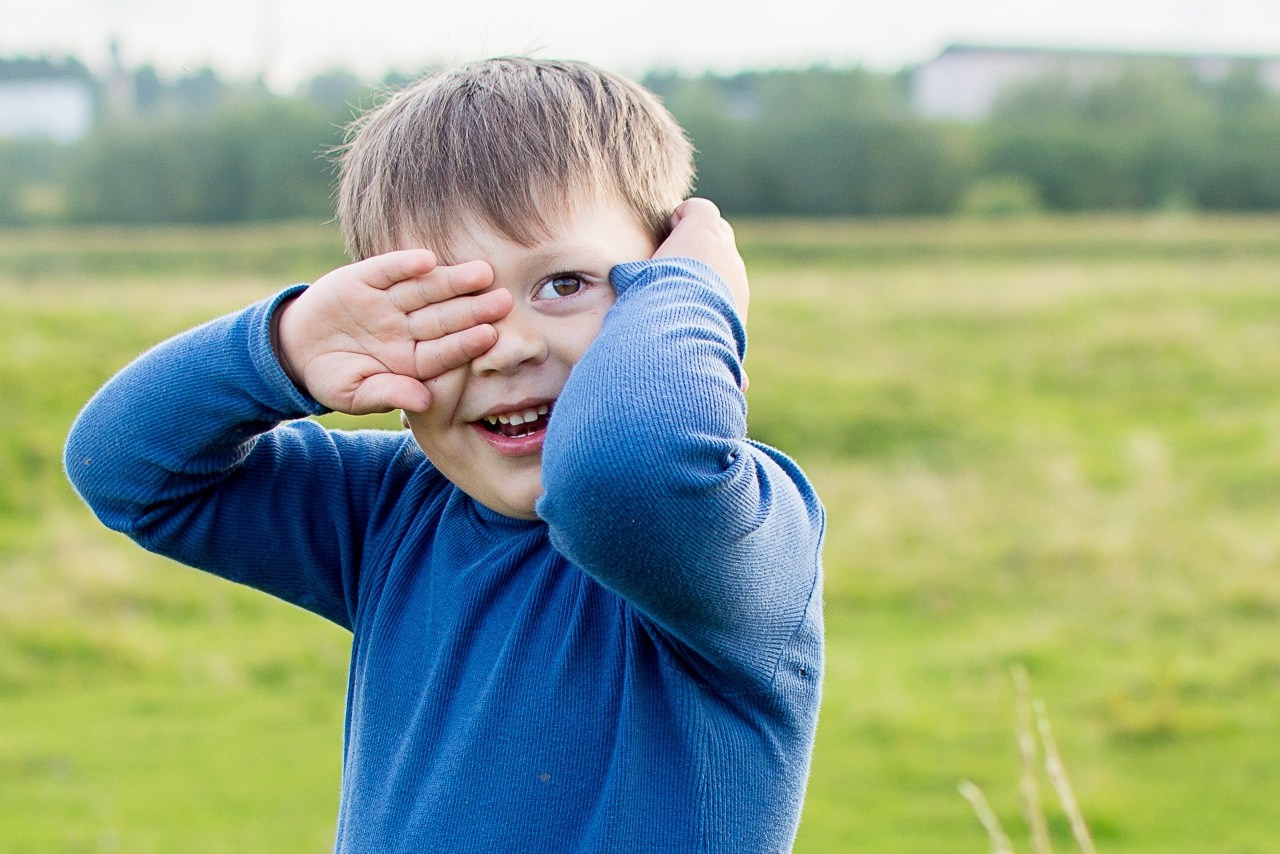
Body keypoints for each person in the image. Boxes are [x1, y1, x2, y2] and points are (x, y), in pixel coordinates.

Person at [65, 57, 825, 853]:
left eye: (565, 284)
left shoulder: (731, 527)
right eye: (445, 310)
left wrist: (690, 292)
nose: (505, 350)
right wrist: (288, 348)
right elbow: (125, 470)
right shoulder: (391, 515)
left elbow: (620, 470)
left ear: (665, 277)